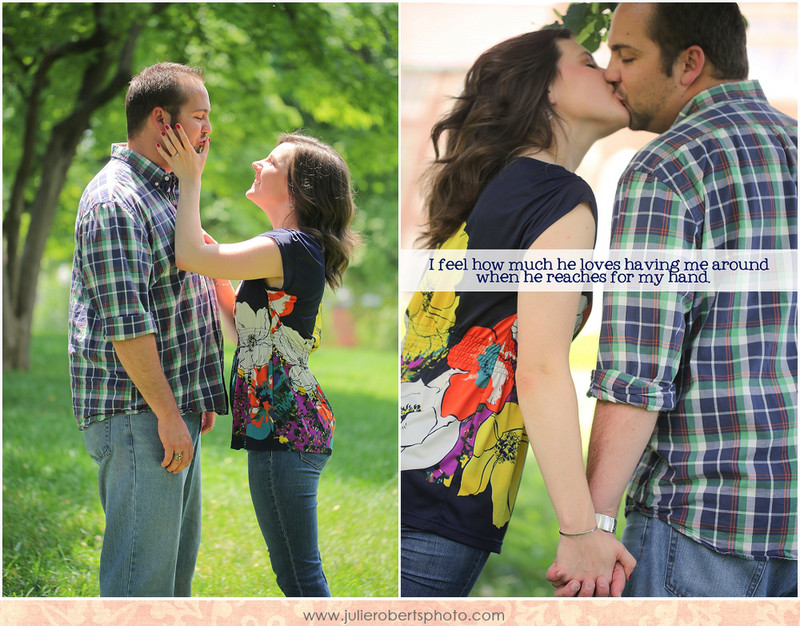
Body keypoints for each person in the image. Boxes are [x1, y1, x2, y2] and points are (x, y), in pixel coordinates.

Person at [552, 3, 797, 597]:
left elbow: (636, 374)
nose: (611, 71)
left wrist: (592, 527)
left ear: (690, 62)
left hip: (702, 523)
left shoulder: (666, 167)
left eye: (627, 54)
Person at [400, 28, 636, 597]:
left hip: (416, 480)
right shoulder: (557, 198)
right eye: (588, 61)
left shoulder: (493, 186)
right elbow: (541, 370)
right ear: (546, 89)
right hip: (443, 497)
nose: (609, 71)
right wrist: (581, 529)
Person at [156, 126, 358, 597]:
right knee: (297, 573)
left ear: (297, 188)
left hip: (286, 431)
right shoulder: (290, 246)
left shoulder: (287, 247)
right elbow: (243, 330)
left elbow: (187, 255)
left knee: (299, 576)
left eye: (270, 161)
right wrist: (217, 270)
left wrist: (192, 180)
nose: (256, 164)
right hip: (287, 429)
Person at [68, 62, 226, 597]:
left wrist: (192, 397)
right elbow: (127, 326)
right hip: (140, 415)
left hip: (169, 408)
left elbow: (183, 293)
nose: (209, 130)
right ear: (162, 119)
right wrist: (166, 412)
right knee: (141, 588)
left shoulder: (166, 191)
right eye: (199, 117)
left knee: (172, 585)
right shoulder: (117, 200)